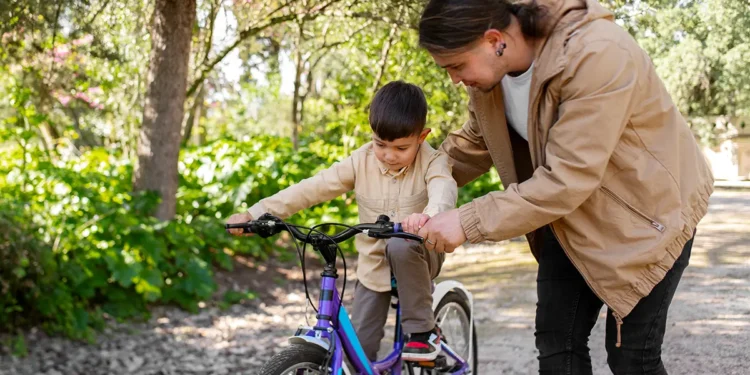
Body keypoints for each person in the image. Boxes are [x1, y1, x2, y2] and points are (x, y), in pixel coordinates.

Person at [415, 0, 714, 374]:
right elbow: (475, 143)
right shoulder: (492, 77)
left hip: (649, 215)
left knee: (631, 357)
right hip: (569, 215)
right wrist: (413, 181)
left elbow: (568, 177)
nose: (455, 80)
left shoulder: (597, 52)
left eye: (457, 66)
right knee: (558, 347)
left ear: (494, 39)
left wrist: (468, 221)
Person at [226, 81, 458, 362]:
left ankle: (424, 333)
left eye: (400, 148)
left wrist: (429, 215)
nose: (388, 155)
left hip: (419, 254)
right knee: (358, 350)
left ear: (422, 137)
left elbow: (443, 189)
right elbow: (313, 187)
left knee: (400, 245)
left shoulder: (433, 161)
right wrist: (256, 214)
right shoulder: (361, 161)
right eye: (380, 144)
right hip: (374, 267)